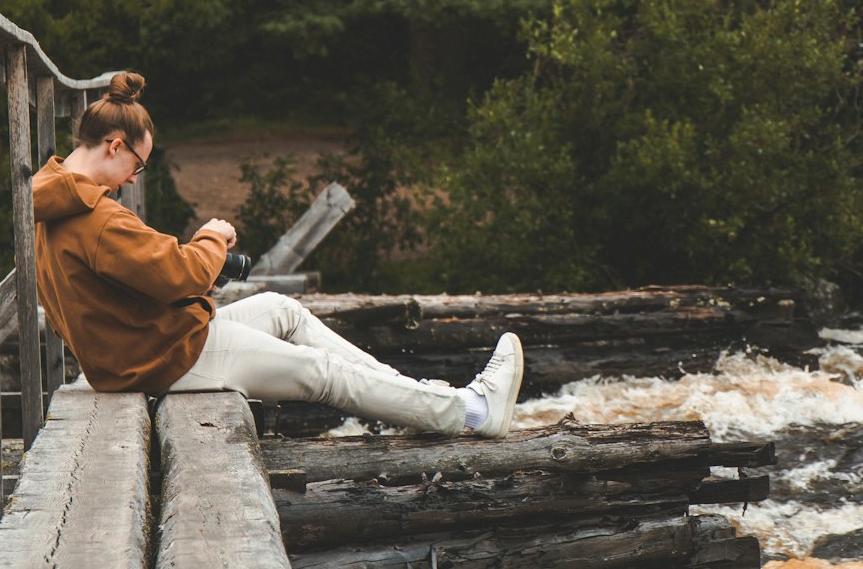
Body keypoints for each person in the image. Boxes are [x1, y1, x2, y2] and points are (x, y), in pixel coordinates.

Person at [31, 72, 524, 437]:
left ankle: (425, 394)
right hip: (165, 359)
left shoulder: (52, 205)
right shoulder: (94, 217)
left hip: (154, 347)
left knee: (284, 310)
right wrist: (210, 237)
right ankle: (470, 412)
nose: (136, 178)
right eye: (138, 164)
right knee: (319, 373)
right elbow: (178, 275)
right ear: (115, 146)